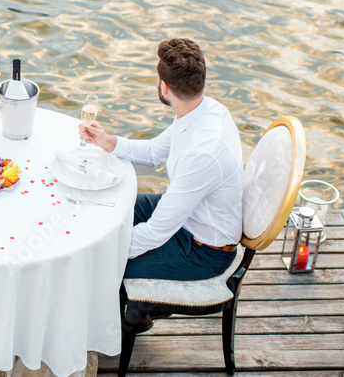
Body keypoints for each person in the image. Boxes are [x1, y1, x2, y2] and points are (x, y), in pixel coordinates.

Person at [79, 38, 243, 285]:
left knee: (97, 269)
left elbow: (156, 232)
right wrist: (107, 141)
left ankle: (131, 320)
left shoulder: (203, 153)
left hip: (202, 250)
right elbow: (155, 152)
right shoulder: (204, 109)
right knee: (106, 202)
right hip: (186, 216)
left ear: (164, 87)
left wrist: (98, 251)